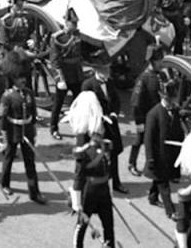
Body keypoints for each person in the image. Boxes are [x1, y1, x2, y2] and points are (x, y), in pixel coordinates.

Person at [66, 91, 115, 248]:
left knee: (109, 225)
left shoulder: (103, 143)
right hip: (89, 190)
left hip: (103, 189)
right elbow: (79, 173)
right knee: (82, 226)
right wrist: (76, 200)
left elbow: (108, 167)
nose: (100, 131)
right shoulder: (83, 145)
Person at [0, 50, 47, 204]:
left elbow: (33, 114)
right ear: (13, 78)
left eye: (24, 77)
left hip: (27, 131)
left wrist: (33, 132)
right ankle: (4, 183)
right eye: (19, 78)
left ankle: (34, 192)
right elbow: (2, 118)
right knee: (9, 158)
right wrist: (4, 138)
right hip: (13, 131)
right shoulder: (7, 96)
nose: (23, 80)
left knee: (30, 162)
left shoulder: (28, 93)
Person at [82, 57, 128, 194]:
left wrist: (114, 113)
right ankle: (90, 183)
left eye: (108, 69)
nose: (107, 72)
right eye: (104, 69)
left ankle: (116, 182)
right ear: (96, 70)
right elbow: (85, 107)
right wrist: (97, 118)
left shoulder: (110, 82)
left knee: (114, 153)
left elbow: (116, 100)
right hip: (96, 126)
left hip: (110, 124)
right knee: (94, 154)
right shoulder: (88, 84)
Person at [145, 75, 184, 218]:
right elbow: (148, 139)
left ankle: (153, 196)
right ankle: (171, 211)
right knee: (164, 184)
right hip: (158, 155)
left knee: (160, 178)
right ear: (163, 96)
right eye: (169, 98)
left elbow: (178, 130)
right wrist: (150, 158)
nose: (171, 101)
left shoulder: (174, 111)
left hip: (171, 154)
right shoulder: (153, 114)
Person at [49, 7, 86, 139]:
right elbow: (54, 61)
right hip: (64, 74)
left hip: (76, 74)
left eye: (76, 23)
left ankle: (80, 128)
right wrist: (60, 79)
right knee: (58, 104)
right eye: (73, 23)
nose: (75, 26)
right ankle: (53, 128)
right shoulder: (58, 38)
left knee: (79, 104)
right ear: (66, 23)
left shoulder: (78, 36)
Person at [129, 44, 164, 175]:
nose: (161, 63)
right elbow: (135, 103)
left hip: (156, 115)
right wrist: (139, 122)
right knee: (139, 140)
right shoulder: (143, 79)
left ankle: (153, 165)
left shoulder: (160, 76)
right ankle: (131, 163)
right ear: (152, 61)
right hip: (145, 116)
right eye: (158, 60)